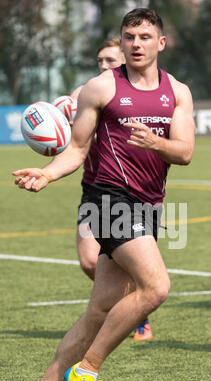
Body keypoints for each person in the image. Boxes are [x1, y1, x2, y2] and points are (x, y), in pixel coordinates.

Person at [14, 8, 195, 381]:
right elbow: (76, 150)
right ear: (122, 40)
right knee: (156, 287)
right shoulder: (101, 88)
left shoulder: (179, 92)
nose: (136, 44)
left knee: (99, 310)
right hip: (107, 201)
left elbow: (185, 151)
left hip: (149, 205)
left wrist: (156, 142)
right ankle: (88, 371)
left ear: (161, 43)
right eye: (129, 36)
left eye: (145, 36)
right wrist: (47, 173)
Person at [73, 37, 153, 341]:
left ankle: (137, 313)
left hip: (122, 194)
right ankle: (130, 307)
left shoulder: (127, 97)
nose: (104, 66)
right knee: (88, 260)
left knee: (111, 264)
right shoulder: (84, 93)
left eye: (110, 60)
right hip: (91, 191)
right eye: (100, 61)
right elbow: (66, 141)